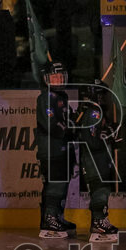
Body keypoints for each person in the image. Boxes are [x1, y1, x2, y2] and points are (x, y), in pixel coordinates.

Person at [36, 60, 76, 238]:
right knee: (55, 184)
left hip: (63, 149)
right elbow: (52, 124)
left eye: (60, 76)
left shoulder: (62, 97)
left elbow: (69, 120)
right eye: (54, 77)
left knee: (63, 183)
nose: (58, 80)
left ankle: (56, 215)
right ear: (46, 79)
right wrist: (69, 128)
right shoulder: (46, 98)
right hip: (52, 150)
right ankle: (49, 219)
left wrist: (76, 121)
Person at [74, 85, 120, 242]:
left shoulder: (96, 111)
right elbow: (91, 140)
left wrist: (111, 133)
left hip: (98, 158)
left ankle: (100, 221)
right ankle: (98, 223)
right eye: (102, 94)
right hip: (94, 159)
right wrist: (106, 136)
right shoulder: (94, 112)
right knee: (100, 189)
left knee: (102, 189)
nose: (105, 97)